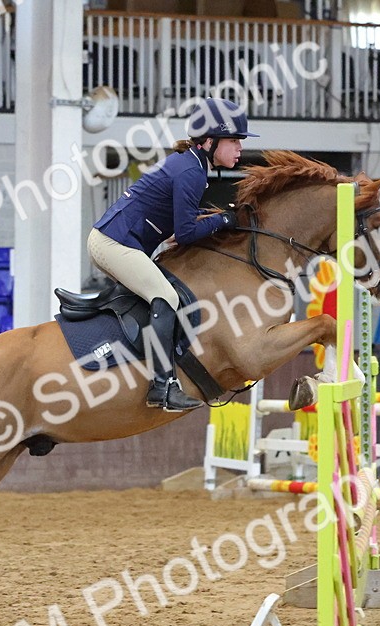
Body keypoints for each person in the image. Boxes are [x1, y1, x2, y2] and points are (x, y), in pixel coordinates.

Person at [88, 98, 259, 412]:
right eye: (234, 140)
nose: (239, 148)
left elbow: (178, 229)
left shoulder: (192, 164)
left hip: (119, 241)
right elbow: (182, 235)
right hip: (113, 244)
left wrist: (216, 219)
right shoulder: (190, 172)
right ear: (209, 141)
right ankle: (162, 385)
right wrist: (224, 219)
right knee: (166, 297)